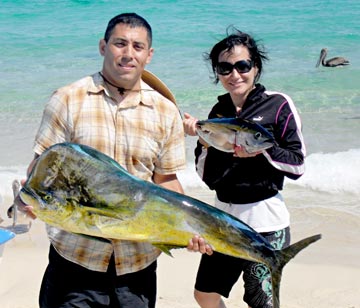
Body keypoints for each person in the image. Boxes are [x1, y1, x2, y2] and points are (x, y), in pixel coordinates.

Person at [22, 13, 212, 308]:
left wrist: (190, 228)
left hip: (137, 266)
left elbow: (166, 182)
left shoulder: (164, 111)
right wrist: (28, 202)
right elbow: (40, 170)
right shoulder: (67, 99)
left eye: (137, 47)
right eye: (119, 43)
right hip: (75, 261)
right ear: (103, 46)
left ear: (149, 55)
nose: (128, 53)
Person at [183, 28, 306, 308]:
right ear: (218, 73)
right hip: (224, 222)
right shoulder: (217, 114)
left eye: (242, 65)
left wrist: (260, 151)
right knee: (205, 294)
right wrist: (203, 141)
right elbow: (207, 176)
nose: (234, 74)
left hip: (266, 224)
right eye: (225, 68)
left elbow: (298, 163)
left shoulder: (278, 104)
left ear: (256, 68)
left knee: (261, 301)